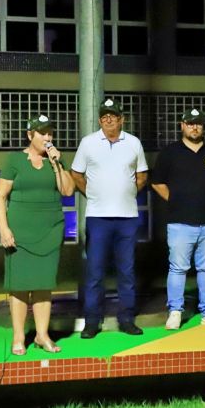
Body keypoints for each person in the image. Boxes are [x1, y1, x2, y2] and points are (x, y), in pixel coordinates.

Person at [0, 115, 75, 356]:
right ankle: (19, 336)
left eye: (50, 133)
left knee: (43, 285)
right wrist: (4, 229)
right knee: (19, 286)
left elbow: (68, 190)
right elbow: (0, 196)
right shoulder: (15, 160)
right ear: (30, 135)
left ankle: (42, 335)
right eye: (42, 133)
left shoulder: (56, 159)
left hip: (50, 229)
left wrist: (57, 164)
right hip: (19, 231)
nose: (47, 137)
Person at [71, 99, 148, 339]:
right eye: (104, 117)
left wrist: (127, 193)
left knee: (127, 271)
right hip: (98, 218)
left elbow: (142, 176)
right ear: (100, 120)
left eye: (113, 116)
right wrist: (92, 193)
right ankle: (92, 322)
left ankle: (127, 319)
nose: (108, 120)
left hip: (127, 218)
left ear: (121, 119)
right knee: (95, 272)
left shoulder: (133, 143)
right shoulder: (88, 143)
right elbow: (76, 174)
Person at [151, 108, 205, 329]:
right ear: (182, 125)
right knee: (178, 268)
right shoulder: (170, 152)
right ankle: (175, 311)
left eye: (198, 123)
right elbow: (157, 182)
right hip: (179, 222)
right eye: (190, 123)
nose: (194, 127)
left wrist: (202, 197)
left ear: (203, 126)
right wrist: (176, 199)